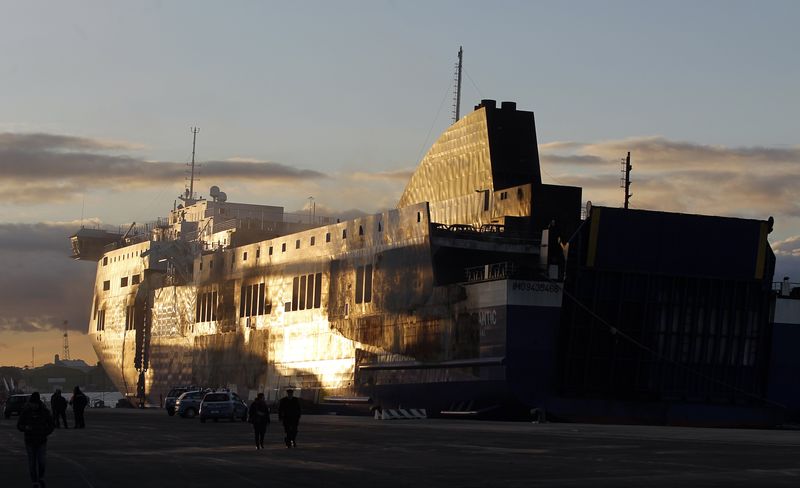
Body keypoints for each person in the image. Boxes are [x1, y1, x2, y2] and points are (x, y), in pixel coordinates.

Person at [17, 392, 54, 488]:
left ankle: (41, 477)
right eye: (32, 404)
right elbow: (19, 425)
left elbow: (51, 425)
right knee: (32, 462)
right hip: (29, 441)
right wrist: (25, 428)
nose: (33, 406)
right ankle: (34, 481)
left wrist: (45, 432)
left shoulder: (45, 412)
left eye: (34, 404)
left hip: (41, 440)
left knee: (42, 462)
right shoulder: (26, 412)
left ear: (38, 403)